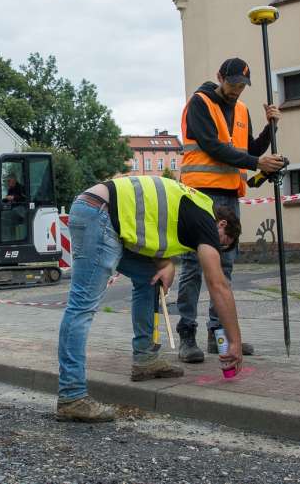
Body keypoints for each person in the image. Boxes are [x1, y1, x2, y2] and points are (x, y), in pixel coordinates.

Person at [57, 175, 245, 423]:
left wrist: (164, 263)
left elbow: (148, 223)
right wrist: (235, 342)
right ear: (221, 225)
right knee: (82, 305)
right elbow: (218, 284)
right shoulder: (205, 219)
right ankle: (72, 396)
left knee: (149, 278)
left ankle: (145, 358)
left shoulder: (192, 204)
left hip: (100, 211)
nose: (216, 248)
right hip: (100, 214)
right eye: (222, 243)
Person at [176, 57, 286, 363]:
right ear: (220, 77)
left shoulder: (241, 110)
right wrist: (256, 163)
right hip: (199, 195)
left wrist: (270, 127)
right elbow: (212, 147)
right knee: (193, 267)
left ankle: (219, 335)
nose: (237, 90)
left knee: (224, 266)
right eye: (233, 83)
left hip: (229, 196)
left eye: (242, 85)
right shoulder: (200, 103)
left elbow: (250, 150)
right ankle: (187, 335)